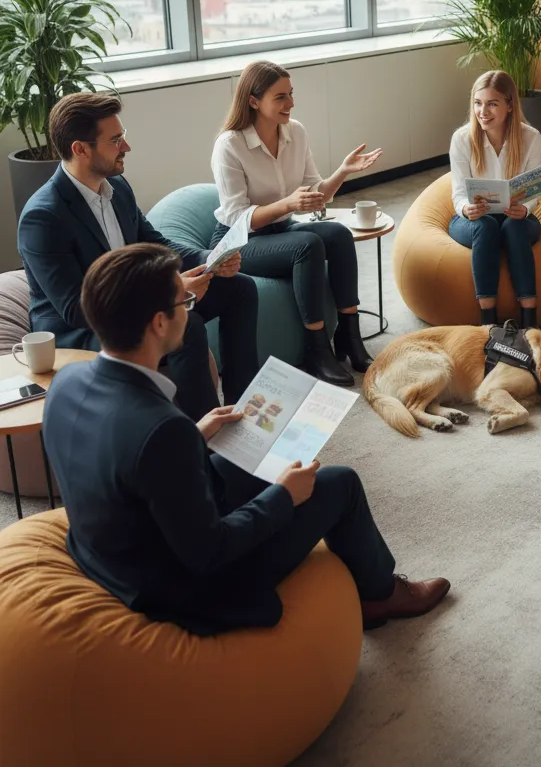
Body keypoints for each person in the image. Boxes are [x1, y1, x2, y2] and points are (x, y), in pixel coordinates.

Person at [42, 243, 451, 636]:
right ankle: (381, 594)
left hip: (119, 549)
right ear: (158, 323)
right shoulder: (162, 430)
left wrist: (196, 434)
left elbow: (128, 459)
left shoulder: (67, 380)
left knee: (253, 451)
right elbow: (210, 553)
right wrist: (284, 496)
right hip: (181, 586)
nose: (190, 309)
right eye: (184, 302)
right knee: (339, 484)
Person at [18, 93, 257, 422]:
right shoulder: (43, 217)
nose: (126, 147)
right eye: (115, 140)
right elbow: (75, 308)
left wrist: (212, 257)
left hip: (134, 305)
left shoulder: (117, 187)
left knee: (240, 289)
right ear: (80, 149)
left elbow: (155, 245)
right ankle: (205, 438)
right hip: (83, 331)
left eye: (123, 136)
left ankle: (242, 411)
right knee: (186, 324)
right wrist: (163, 296)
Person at [212, 60, 382, 387]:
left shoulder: (296, 132)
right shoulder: (230, 145)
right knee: (308, 245)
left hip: (280, 230)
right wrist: (288, 203)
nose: (290, 103)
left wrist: (343, 172)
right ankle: (316, 350)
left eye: (291, 94)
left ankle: (349, 337)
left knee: (338, 234)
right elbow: (236, 217)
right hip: (240, 241)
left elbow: (317, 193)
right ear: (253, 100)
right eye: (280, 97)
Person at [448, 70, 541, 327]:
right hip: (473, 220)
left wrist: (524, 210)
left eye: (492, 103)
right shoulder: (462, 139)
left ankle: (530, 320)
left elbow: (534, 192)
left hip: (516, 218)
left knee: (513, 227)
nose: (483, 112)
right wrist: (467, 209)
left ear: (510, 105)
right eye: (478, 103)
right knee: (486, 225)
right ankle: (488, 323)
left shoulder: (531, 138)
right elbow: (458, 192)